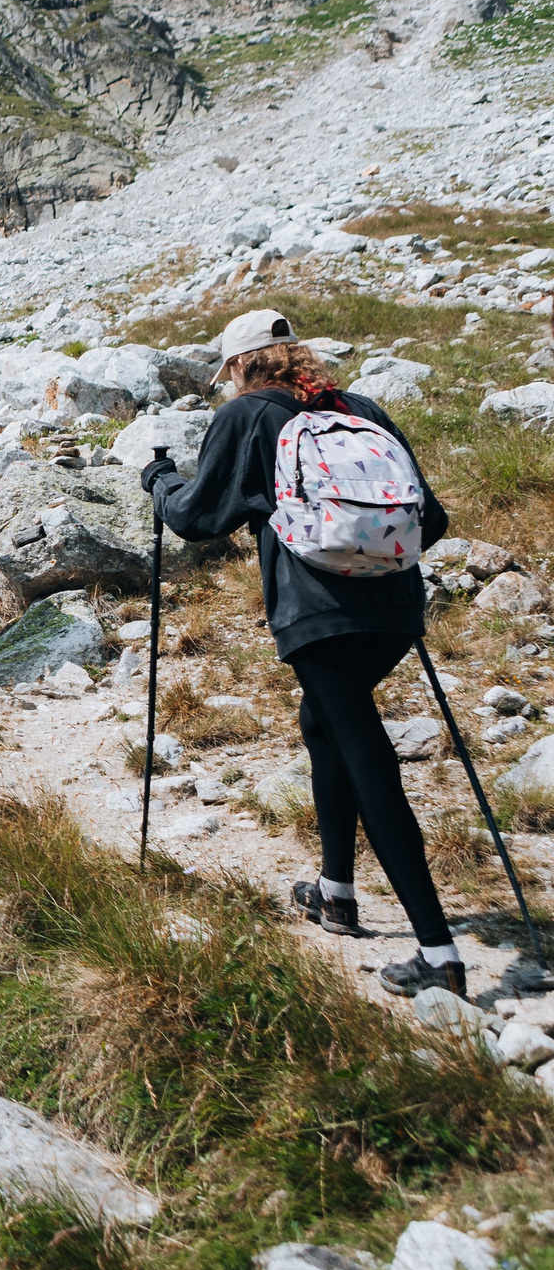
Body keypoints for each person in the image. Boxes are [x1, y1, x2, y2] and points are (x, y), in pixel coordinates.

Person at [145, 308, 460, 997]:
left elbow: (197, 519)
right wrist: (373, 561)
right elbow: (430, 517)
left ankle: (438, 951)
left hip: (316, 610)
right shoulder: (359, 406)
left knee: (359, 744)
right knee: (323, 724)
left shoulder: (251, 415)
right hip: (397, 606)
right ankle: (335, 892)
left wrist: (158, 482)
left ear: (238, 367)